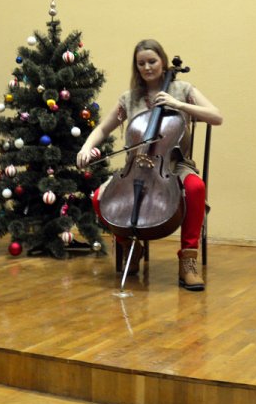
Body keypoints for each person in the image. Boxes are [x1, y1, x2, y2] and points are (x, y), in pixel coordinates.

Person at [76, 39, 223, 291]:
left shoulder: (182, 89)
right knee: (100, 198)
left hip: (173, 165)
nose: (147, 67)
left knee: (196, 188)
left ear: (163, 62)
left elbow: (216, 116)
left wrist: (178, 105)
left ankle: (188, 260)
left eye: (152, 61)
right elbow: (102, 128)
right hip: (135, 166)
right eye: (141, 63)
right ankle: (129, 246)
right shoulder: (129, 98)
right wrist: (86, 147)